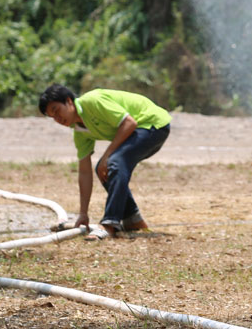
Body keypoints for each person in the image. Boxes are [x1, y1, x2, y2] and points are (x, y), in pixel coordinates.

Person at [39, 84, 171, 238]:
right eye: (52, 117)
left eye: (56, 110)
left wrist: (107, 155)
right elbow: (84, 172)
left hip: (152, 124)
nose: (57, 119)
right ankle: (132, 219)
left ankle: (109, 223)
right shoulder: (79, 131)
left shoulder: (92, 101)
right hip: (141, 130)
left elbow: (129, 123)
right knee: (103, 168)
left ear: (69, 101)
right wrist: (83, 213)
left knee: (113, 161)